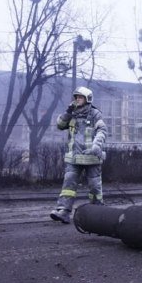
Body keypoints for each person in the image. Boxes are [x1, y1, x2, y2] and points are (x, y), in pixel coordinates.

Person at [49, 86, 108, 224]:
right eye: (76, 97)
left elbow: (102, 130)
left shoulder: (95, 114)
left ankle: (97, 212)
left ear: (88, 99)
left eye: (80, 97)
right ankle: (63, 211)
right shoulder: (72, 114)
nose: (77, 99)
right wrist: (67, 112)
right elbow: (60, 125)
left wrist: (96, 146)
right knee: (68, 184)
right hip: (74, 158)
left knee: (94, 186)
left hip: (92, 157)